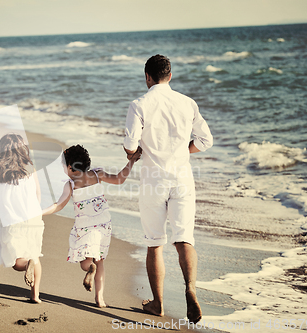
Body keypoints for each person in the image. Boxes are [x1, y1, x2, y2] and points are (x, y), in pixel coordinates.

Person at [123, 54, 213, 323]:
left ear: (147, 77)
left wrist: (134, 152)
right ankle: (190, 289)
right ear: (170, 76)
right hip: (182, 177)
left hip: (153, 178)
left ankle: (158, 304)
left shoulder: (139, 104)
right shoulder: (187, 103)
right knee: (184, 238)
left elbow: (130, 144)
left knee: (155, 243)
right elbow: (205, 140)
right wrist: (182, 151)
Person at [42, 144, 141, 308]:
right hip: (104, 226)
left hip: (85, 228)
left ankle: (91, 268)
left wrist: (41, 212)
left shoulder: (71, 185)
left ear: (70, 166)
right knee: (101, 261)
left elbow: (58, 205)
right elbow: (120, 179)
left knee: (85, 263)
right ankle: (100, 299)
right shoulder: (97, 174)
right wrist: (131, 162)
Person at [0, 133, 44, 303]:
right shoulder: (30, 168)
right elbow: (38, 193)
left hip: (12, 221)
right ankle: (35, 295)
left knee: (15, 260)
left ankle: (26, 264)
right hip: (34, 219)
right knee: (34, 255)